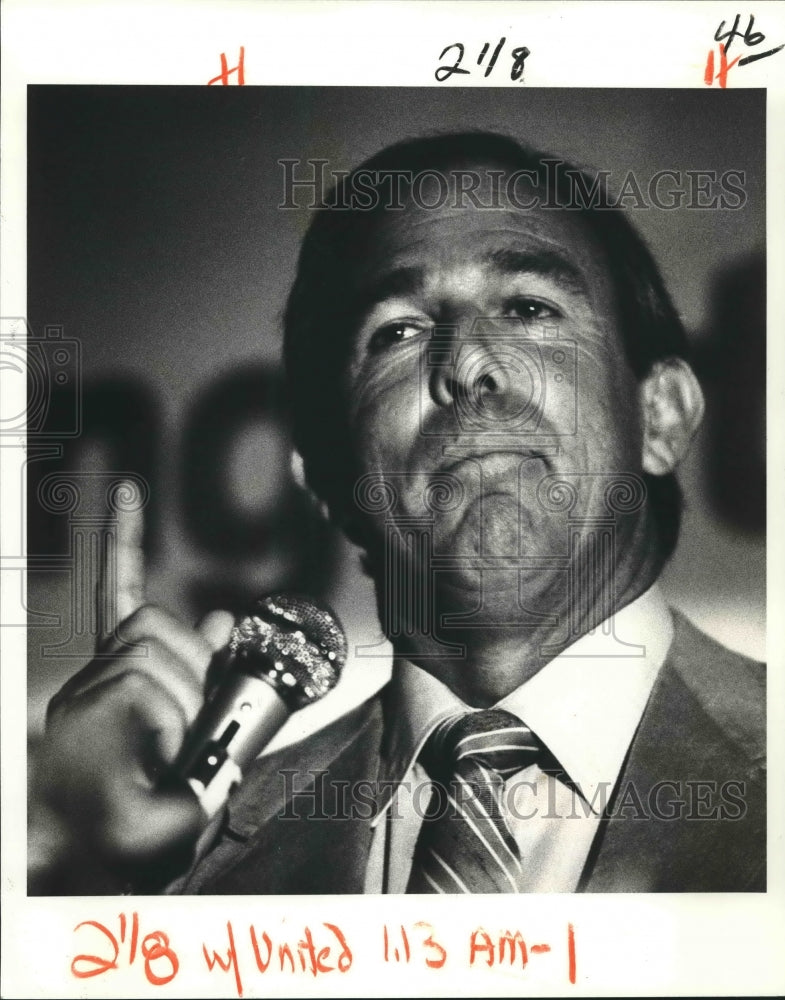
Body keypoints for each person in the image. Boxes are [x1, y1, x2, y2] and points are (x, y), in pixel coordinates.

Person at [37, 132, 765, 894]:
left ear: (662, 416)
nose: (466, 363)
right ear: (323, 479)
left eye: (527, 307)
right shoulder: (182, 867)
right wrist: (96, 895)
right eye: (398, 332)